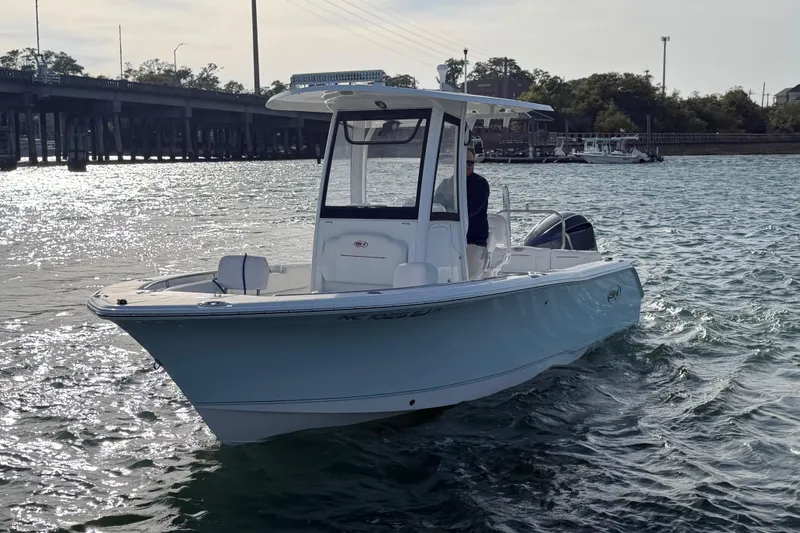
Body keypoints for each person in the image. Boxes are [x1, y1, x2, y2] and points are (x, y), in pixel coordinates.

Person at [433, 146, 490, 280]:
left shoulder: (480, 184)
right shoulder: (446, 184)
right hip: (448, 241)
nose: (467, 166)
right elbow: (436, 206)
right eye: (463, 162)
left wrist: (448, 208)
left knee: (470, 280)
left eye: (470, 163)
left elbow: (471, 210)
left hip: (473, 242)